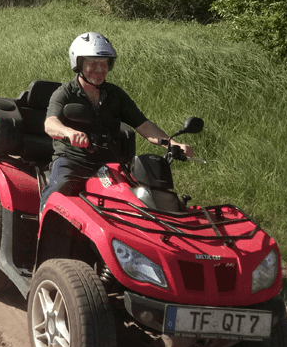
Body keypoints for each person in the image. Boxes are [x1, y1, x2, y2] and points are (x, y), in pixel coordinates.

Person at [39, 32, 194, 212]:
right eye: (93, 63)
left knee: (144, 202)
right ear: (79, 64)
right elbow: (50, 124)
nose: (100, 69)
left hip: (110, 163)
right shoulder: (65, 93)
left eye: (105, 63)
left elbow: (143, 124)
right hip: (73, 162)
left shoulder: (115, 95)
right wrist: (68, 132)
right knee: (56, 196)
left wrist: (172, 144)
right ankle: (43, 231)